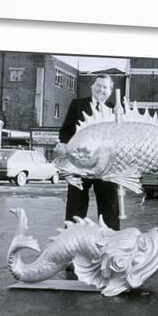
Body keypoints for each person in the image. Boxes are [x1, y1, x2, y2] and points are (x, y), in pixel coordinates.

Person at [56, 74, 120, 231]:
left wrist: (121, 117)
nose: (101, 90)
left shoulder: (116, 109)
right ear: (92, 86)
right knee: (75, 206)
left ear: (110, 91)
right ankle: (71, 241)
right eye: (98, 85)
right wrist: (66, 147)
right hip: (79, 164)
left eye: (105, 87)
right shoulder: (77, 105)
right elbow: (65, 131)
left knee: (109, 207)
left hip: (104, 165)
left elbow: (121, 136)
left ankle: (110, 243)